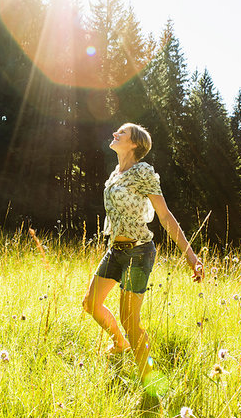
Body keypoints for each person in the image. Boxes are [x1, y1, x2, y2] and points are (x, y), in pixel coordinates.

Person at [83, 123, 204, 383]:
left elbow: (164, 215)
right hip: (115, 250)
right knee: (91, 304)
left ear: (135, 143)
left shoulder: (143, 171)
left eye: (122, 133)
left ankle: (151, 384)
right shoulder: (115, 174)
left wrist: (191, 257)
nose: (115, 133)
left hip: (139, 252)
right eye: (115, 130)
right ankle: (119, 343)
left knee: (131, 320)